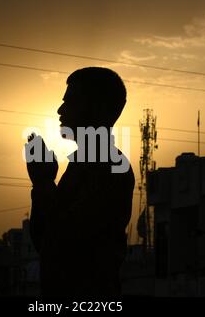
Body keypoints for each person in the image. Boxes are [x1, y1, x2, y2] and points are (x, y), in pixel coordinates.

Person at [25, 67, 135, 296]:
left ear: (98, 108)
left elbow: (64, 244)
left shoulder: (111, 169)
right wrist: (42, 183)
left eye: (71, 102)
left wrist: (44, 183)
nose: (60, 110)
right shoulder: (81, 166)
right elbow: (44, 242)